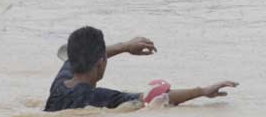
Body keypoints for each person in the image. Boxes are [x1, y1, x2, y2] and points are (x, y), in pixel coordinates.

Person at [44, 27, 237, 112]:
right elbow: (153, 98)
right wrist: (202, 91)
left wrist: (125, 46)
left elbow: (74, 58)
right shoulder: (101, 97)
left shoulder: (59, 85)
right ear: (100, 63)